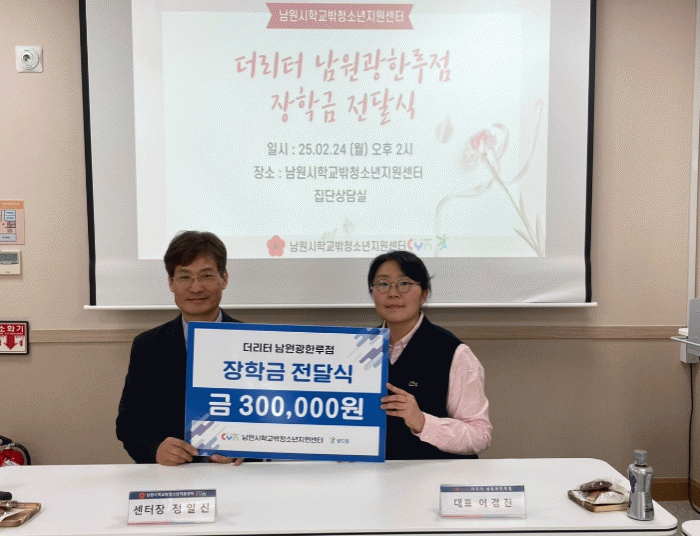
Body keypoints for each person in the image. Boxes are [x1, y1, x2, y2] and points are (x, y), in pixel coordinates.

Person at [116, 230, 243, 466]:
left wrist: (248, 449)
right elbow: (129, 424)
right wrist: (155, 449)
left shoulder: (252, 343)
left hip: (238, 474)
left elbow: (272, 421)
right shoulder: (147, 346)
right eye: (185, 277)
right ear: (171, 283)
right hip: (172, 475)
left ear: (224, 279)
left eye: (206, 276)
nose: (196, 288)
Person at [369, 251, 492, 459]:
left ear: (424, 294)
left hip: (435, 474)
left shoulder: (454, 352)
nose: (393, 293)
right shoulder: (358, 348)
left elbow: (479, 436)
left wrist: (422, 421)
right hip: (372, 472)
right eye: (383, 284)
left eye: (404, 283)